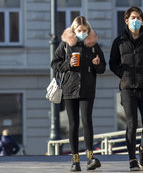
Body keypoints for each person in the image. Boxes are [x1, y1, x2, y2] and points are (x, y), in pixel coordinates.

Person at [109, 6, 143, 171]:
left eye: (139, 18)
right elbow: (112, 63)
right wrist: (122, 75)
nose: (136, 21)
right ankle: (132, 159)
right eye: (133, 18)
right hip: (127, 89)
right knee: (131, 124)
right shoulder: (119, 41)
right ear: (126, 20)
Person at [51, 16, 106, 172]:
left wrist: (97, 65)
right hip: (69, 89)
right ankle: (75, 159)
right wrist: (68, 64)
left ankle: (90, 157)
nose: (82, 33)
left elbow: (102, 68)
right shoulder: (66, 45)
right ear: (73, 31)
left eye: (84, 30)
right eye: (79, 30)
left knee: (87, 121)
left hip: (87, 89)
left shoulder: (93, 46)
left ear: (88, 30)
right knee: (73, 124)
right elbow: (54, 64)